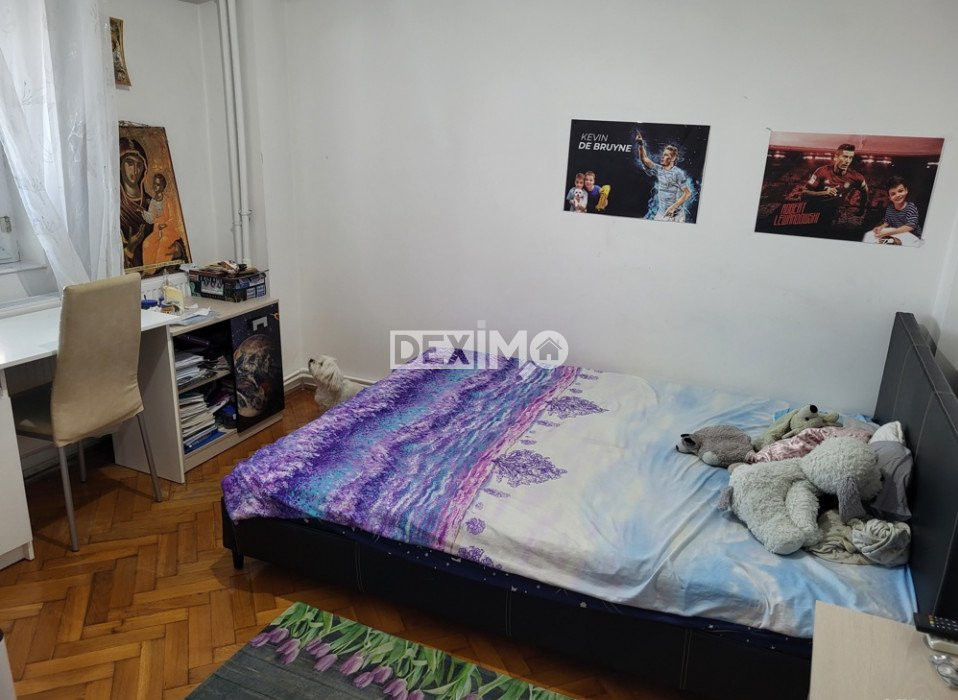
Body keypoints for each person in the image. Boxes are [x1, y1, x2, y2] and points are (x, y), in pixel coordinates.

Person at [800, 143, 868, 232]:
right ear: (836, 157)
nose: (847, 161)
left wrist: (862, 208)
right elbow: (804, 193)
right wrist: (824, 193)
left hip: (830, 214)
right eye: (845, 157)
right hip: (811, 212)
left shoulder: (857, 177)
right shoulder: (822, 171)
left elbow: (865, 192)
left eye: (850, 158)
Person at [634, 133, 692, 222]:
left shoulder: (678, 173)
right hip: (661, 214)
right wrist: (641, 145)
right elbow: (644, 159)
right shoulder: (659, 169)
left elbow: (687, 193)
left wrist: (673, 207)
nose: (662, 157)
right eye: (663, 154)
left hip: (675, 216)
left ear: (673, 158)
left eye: (666, 155)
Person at [119, 136, 153, 269]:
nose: (135, 170)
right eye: (130, 163)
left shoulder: (150, 202)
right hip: (131, 275)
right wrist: (130, 248)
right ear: (120, 165)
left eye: (139, 165)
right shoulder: (116, 206)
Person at [863, 176, 922, 247]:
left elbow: (910, 226)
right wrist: (881, 227)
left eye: (900, 191)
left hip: (912, 238)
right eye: (893, 194)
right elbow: (888, 221)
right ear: (890, 197)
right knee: (871, 237)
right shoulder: (890, 208)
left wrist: (887, 233)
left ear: (906, 191)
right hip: (897, 235)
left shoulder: (911, 207)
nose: (897, 195)